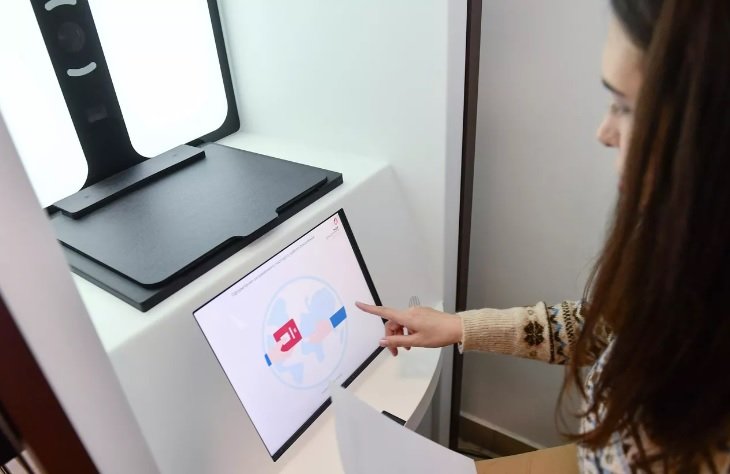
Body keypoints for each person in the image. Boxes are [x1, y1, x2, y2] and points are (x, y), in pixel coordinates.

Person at [357, 0, 730, 472]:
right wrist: (458, 327)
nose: (604, 132)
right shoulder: (688, 263)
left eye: (624, 106)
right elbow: (601, 329)